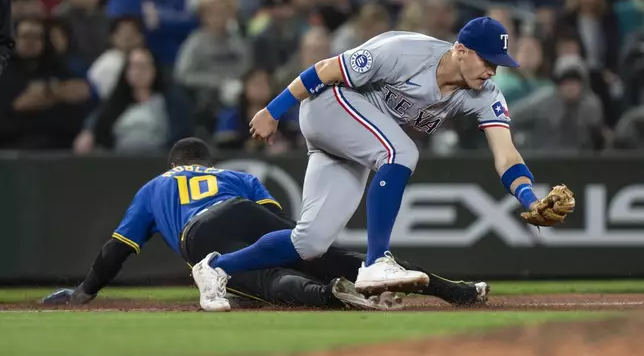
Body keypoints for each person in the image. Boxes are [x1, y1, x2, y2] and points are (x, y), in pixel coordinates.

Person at [196, 16, 575, 311]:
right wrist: (273, 110)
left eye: (499, 63)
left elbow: (506, 153)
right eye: (487, 60)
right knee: (401, 152)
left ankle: (216, 268)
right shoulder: (405, 51)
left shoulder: (484, 94)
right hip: (329, 105)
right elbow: (323, 69)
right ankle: (376, 261)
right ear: (461, 49)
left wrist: (528, 199)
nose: (493, 70)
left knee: (309, 243)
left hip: (356, 137)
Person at [40, 137, 490, 311]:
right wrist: (318, 255)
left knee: (271, 283)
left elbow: (116, 249)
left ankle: (328, 295)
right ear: (206, 163)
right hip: (241, 208)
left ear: (175, 163)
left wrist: (85, 291)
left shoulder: (155, 187)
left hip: (199, 234)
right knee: (339, 259)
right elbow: (277, 224)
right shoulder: (235, 175)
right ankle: (456, 291)